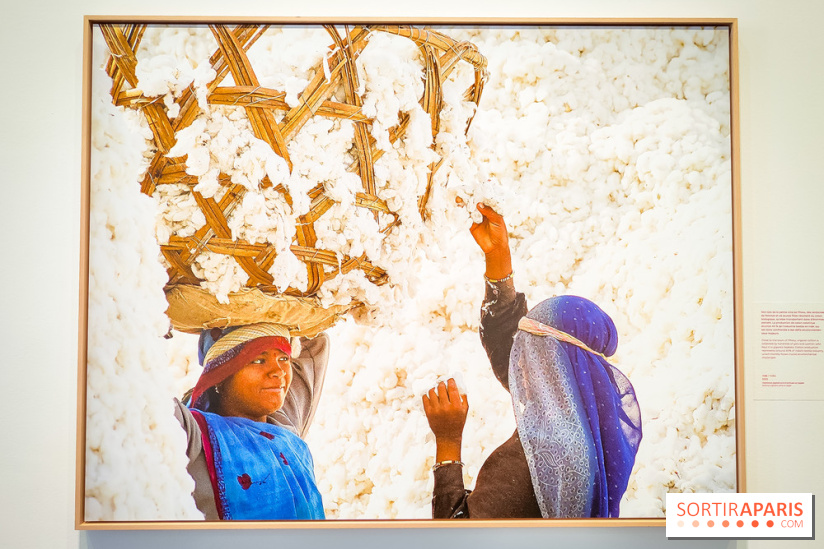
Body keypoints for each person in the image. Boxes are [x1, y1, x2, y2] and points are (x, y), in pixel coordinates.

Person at [422, 204, 642, 519]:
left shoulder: (538, 459)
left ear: (557, 368)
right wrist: (498, 257)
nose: (521, 363)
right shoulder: (595, 418)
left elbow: (457, 535)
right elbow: (506, 346)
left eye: (533, 355)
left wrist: (447, 442)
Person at [174, 323, 328, 520]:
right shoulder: (192, 433)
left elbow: (315, 339)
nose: (278, 371)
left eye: (284, 358)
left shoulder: (283, 429)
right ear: (220, 374)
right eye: (258, 360)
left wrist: (267, 311)